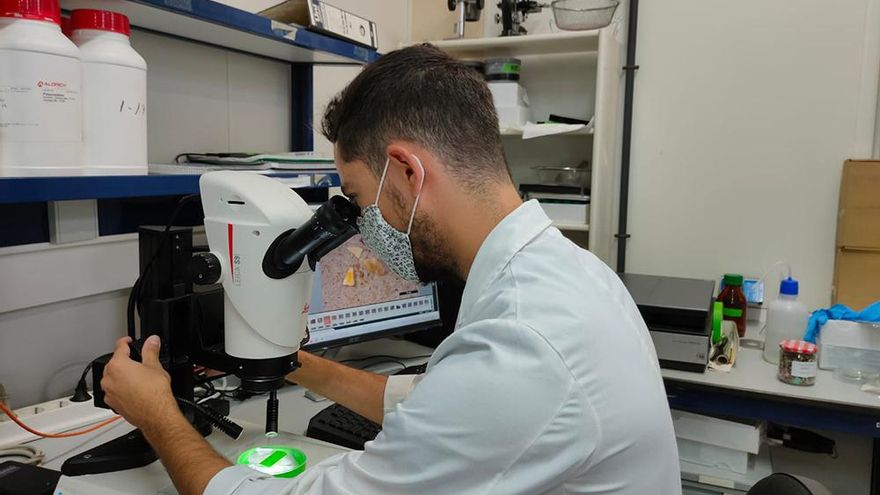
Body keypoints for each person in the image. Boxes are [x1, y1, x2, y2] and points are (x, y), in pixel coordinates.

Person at [100, 44, 681, 495]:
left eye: (356, 199)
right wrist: (287, 358)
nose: (360, 227)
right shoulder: (568, 274)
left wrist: (158, 414)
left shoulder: (526, 343)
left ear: (406, 171)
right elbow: (437, 406)